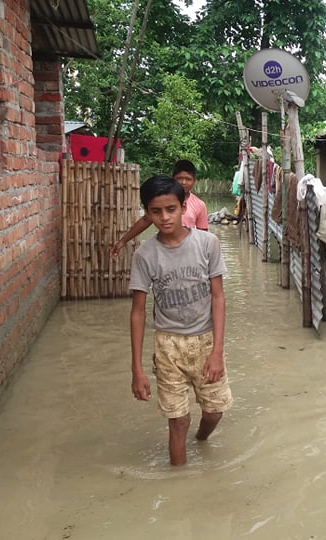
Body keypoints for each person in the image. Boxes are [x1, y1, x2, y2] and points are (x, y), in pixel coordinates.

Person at [128, 174, 233, 466]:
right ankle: (180, 485)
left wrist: (217, 351)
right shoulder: (145, 255)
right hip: (168, 345)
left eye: (171, 209)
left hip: (205, 339)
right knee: (178, 421)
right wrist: (137, 369)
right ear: (146, 213)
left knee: (214, 412)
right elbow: (137, 312)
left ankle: (201, 440)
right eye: (156, 211)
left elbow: (218, 297)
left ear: (184, 205)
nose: (164, 217)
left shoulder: (208, 243)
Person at [111, 160, 208, 257]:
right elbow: (145, 220)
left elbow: (203, 233)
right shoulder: (161, 202)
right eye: (179, 178)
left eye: (188, 179)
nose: (183, 182)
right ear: (173, 179)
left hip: (189, 251)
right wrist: (123, 241)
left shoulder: (199, 205)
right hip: (165, 249)